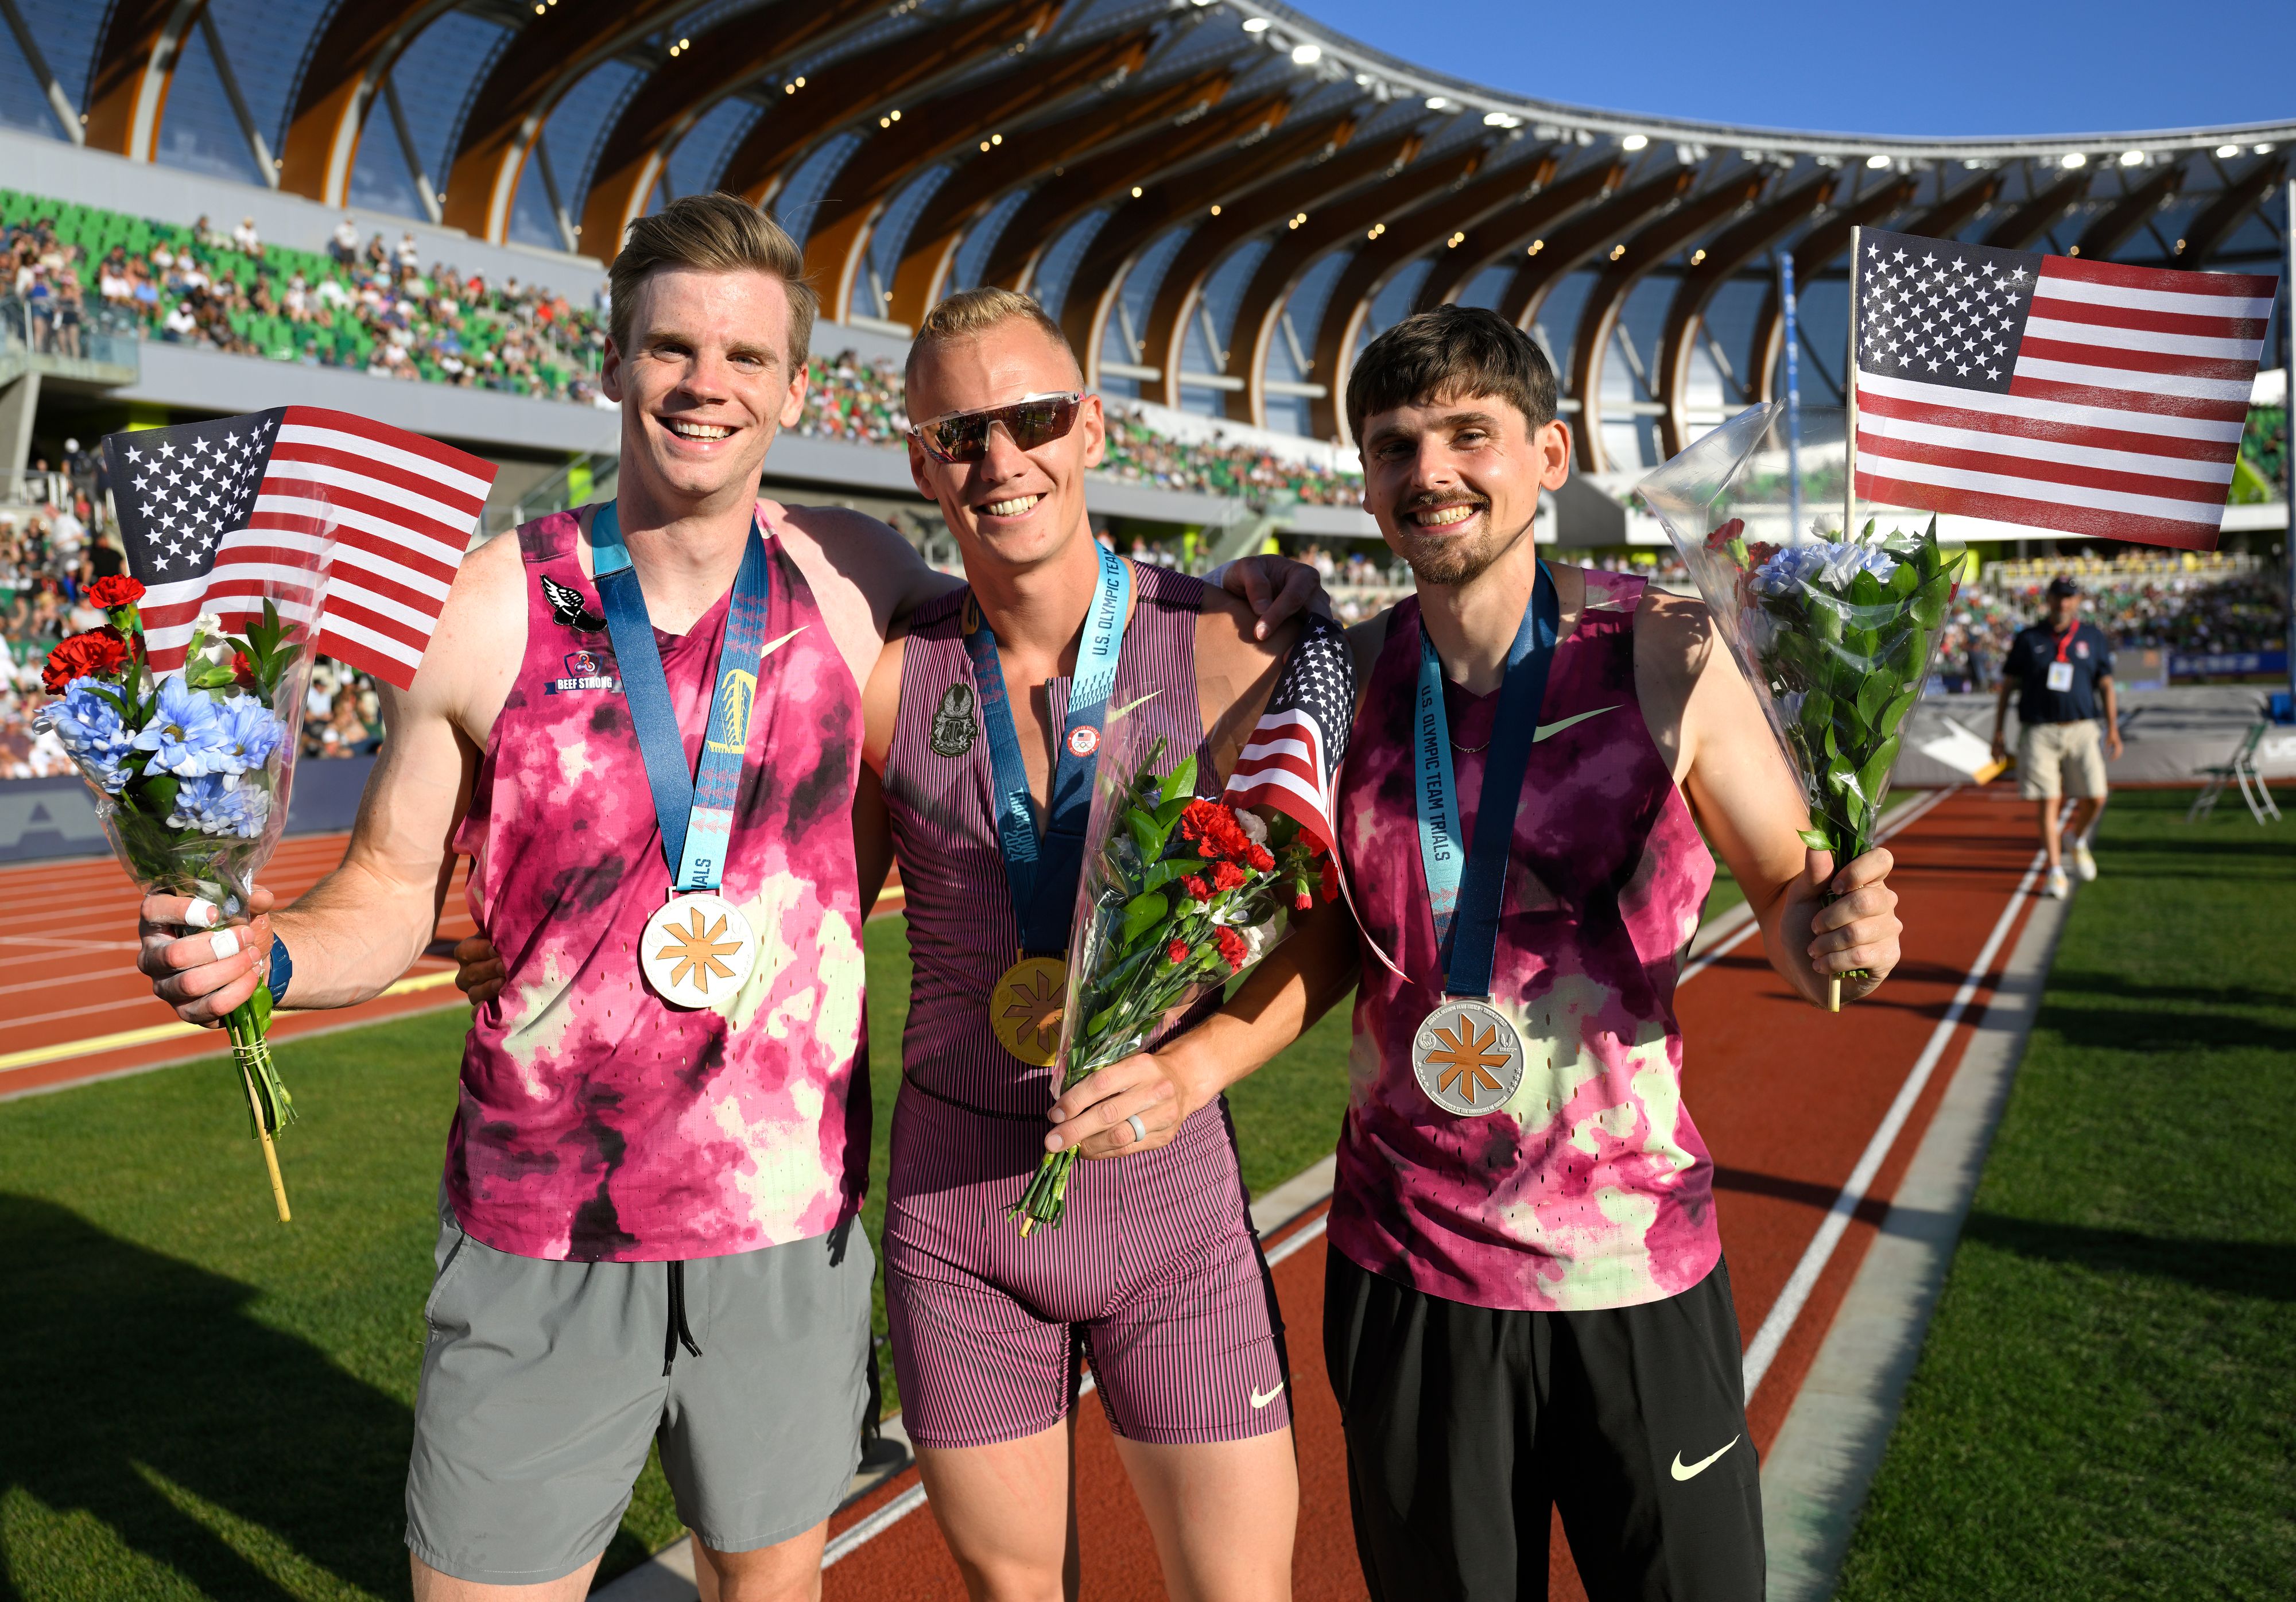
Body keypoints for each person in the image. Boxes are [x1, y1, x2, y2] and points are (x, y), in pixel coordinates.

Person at [137, 195, 1313, 1602]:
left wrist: (1250, 596)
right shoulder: (489, 605)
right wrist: (266, 955)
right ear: (616, 360)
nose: (708, 384)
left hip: (784, 1225)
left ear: (795, 389)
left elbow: (1042, 605)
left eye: (747, 357)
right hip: (545, 1222)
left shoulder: (856, 582)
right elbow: (389, 892)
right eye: (674, 348)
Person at [1049, 307, 1904, 1601]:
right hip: (1409, 1268)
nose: (1429, 471)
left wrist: (1837, 936)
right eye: (1394, 446)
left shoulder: (1661, 649)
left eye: (1467, 434)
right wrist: (1189, 1068)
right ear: (1368, 483)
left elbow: (1788, 891)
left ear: (1548, 455)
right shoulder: (1354, 676)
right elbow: (1328, 943)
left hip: (1628, 1260)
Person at [860, 290, 1302, 1600]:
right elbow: (799, 906)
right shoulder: (892, 680)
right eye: (958, 432)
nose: (1001, 460)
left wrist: (1197, 1064)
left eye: (1034, 417)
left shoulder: (1232, 647)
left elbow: (1322, 935)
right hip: (958, 1211)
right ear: (919, 460)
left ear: (1091, 424)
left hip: (1169, 1196)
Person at [1990, 576, 2119, 899]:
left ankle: (2076, 839)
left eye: (2069, 597)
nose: (2063, 603)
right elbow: (2008, 686)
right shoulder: (2028, 637)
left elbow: (2106, 684)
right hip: (2040, 730)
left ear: (2077, 601)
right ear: (2048, 599)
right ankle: (2055, 870)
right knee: (2049, 803)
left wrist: (2113, 728)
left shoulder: (2092, 636)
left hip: (2082, 727)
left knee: (2097, 797)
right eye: (2058, 596)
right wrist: (1999, 732)